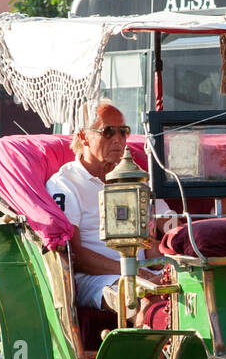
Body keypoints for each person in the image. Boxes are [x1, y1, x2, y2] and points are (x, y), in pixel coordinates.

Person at [46, 100, 163, 321]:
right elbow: (75, 256)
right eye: (108, 132)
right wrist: (134, 271)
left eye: (123, 132)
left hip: (140, 268)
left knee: (190, 286)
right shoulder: (65, 183)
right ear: (83, 137)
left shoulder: (135, 178)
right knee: (145, 301)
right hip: (95, 278)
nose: (118, 139)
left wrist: (174, 255)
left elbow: (154, 236)